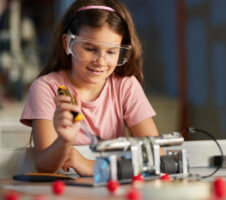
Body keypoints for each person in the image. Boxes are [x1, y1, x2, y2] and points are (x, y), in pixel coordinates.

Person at [20, 0, 159, 177]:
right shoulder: (46, 88)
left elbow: (155, 155)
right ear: (68, 43)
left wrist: (90, 165)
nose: (100, 61)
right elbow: (44, 167)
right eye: (90, 48)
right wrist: (64, 140)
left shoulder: (126, 86)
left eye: (111, 52)